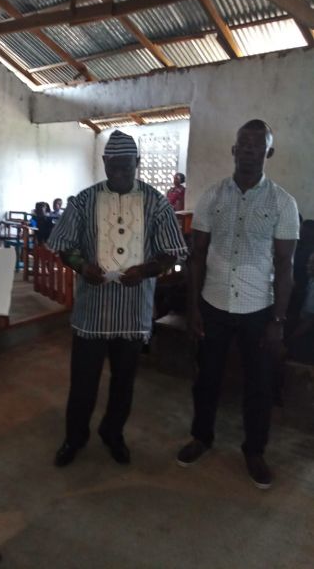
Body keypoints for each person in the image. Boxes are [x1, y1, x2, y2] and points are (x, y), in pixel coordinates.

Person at [47, 130, 187, 467]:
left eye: (127, 166)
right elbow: (63, 246)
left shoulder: (156, 203)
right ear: (105, 162)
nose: (121, 173)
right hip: (92, 313)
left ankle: (113, 432)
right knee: (83, 382)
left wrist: (146, 270)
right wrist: (82, 266)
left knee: (124, 382)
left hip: (132, 312)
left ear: (137, 162)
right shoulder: (84, 201)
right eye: (114, 167)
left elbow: (172, 253)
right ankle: (75, 437)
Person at [177, 119, 299, 489]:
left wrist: (278, 320)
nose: (249, 150)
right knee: (206, 379)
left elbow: (285, 266)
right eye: (243, 144)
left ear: (268, 152)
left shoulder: (282, 203)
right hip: (213, 304)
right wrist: (194, 309)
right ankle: (202, 437)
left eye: (257, 145)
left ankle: (255, 452)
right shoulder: (212, 197)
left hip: (257, 309)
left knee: (259, 386)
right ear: (233, 150)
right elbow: (197, 256)